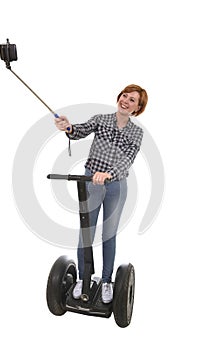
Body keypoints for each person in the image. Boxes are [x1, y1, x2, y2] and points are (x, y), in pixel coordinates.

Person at [55, 84, 148, 303]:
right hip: (91, 183)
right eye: (124, 96)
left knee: (109, 234)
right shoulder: (101, 119)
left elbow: (128, 159)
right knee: (85, 232)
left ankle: (106, 281)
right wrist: (67, 127)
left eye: (132, 100)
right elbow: (80, 130)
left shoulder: (137, 132)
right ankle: (82, 278)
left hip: (116, 187)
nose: (126, 100)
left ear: (137, 108)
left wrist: (108, 173)